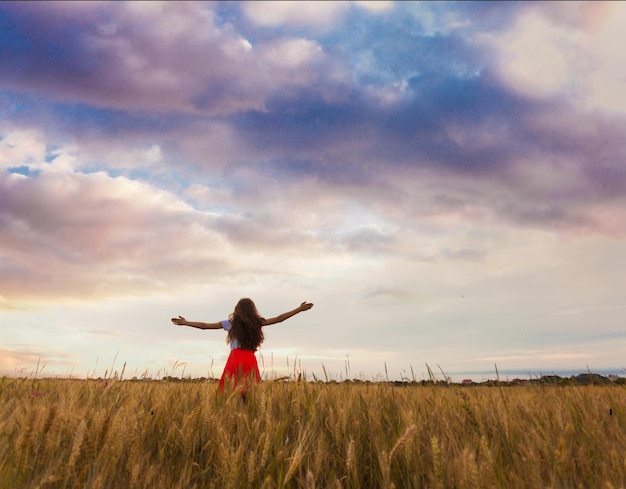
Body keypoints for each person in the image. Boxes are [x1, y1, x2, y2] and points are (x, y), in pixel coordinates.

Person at [171, 298, 313, 394]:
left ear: (237, 310)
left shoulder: (229, 324)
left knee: (228, 392)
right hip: (249, 359)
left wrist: (186, 322)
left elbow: (204, 327)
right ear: (252, 310)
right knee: (250, 393)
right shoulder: (257, 323)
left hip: (235, 358)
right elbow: (279, 319)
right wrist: (299, 309)